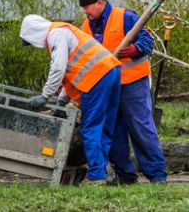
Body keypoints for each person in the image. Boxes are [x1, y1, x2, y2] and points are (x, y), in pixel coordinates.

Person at [78, 0, 167, 185]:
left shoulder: (125, 17)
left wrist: (135, 49)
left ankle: (157, 176)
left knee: (141, 128)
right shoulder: (85, 26)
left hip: (132, 83)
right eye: (83, 8)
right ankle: (125, 176)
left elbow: (147, 41)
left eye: (87, 6)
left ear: (100, 2)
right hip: (106, 88)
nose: (85, 11)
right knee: (113, 132)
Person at [20, 14, 121, 186]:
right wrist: (61, 100)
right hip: (111, 71)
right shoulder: (64, 30)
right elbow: (73, 68)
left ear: (34, 33)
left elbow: (58, 68)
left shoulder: (56, 34)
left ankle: (96, 177)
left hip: (95, 78)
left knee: (90, 128)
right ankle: (105, 172)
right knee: (105, 126)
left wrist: (46, 95)